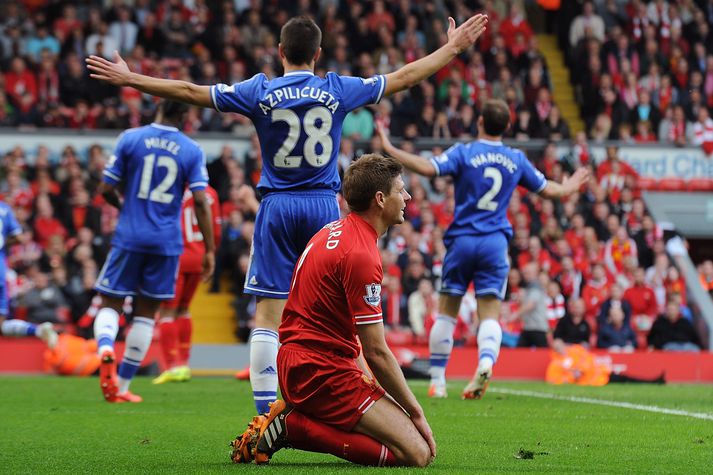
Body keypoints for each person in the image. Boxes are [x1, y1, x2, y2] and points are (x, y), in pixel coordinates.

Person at [87, 13, 489, 414]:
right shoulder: (336, 89)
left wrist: (131, 78)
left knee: (268, 313)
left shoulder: (258, 91)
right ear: (318, 54)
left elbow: (189, 90)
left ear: (279, 52)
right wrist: (452, 48)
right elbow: (403, 77)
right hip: (322, 207)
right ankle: (344, 397)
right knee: (336, 312)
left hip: (277, 206)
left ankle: (264, 415)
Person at [376, 98, 590, 399]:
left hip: (462, 240)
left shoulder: (465, 152)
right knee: (490, 313)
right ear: (507, 126)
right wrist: (570, 186)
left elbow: (427, 168)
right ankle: (486, 362)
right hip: (494, 243)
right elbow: (550, 190)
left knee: (447, 313)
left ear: (479, 122)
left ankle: (437, 380)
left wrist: (391, 147)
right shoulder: (515, 158)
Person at [230, 154, 434, 467]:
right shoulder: (361, 254)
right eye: (400, 191)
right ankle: (293, 427)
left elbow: (350, 340)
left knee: (395, 431)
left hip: (308, 363)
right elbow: (376, 350)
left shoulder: (331, 232)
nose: (407, 197)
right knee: (418, 453)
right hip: (320, 373)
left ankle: (298, 418)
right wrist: (416, 411)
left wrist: (380, 395)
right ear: (380, 199)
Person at [92, 100, 215, 403]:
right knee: (147, 315)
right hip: (166, 242)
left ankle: (106, 348)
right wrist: (210, 248)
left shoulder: (130, 138)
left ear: (157, 109)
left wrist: (126, 209)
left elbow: (105, 189)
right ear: (185, 116)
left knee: (111, 303)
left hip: (129, 236)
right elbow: (200, 200)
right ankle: (121, 388)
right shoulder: (191, 149)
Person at [152, 185, 221, 384]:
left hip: (176, 256)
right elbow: (216, 230)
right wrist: (210, 253)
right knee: (183, 309)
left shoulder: (172, 189)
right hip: (199, 256)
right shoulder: (210, 193)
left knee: (167, 311)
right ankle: (184, 364)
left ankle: (172, 365)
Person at [0, 200, 57, 348]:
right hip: (2, 273)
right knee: (1, 324)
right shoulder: (4, 209)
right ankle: (38, 330)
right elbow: (18, 237)